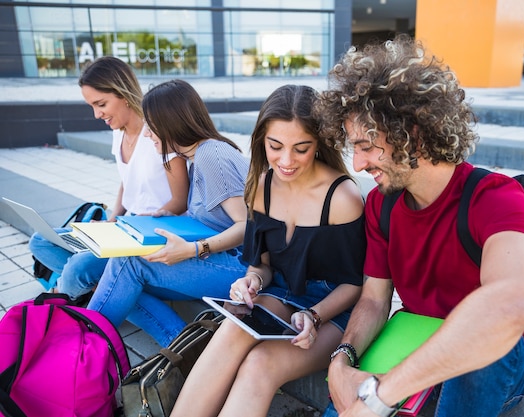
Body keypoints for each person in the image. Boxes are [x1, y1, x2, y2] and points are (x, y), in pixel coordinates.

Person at [315, 35, 524, 417]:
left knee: (482, 344)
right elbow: (374, 299)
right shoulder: (380, 205)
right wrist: (343, 360)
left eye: (367, 145)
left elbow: (511, 303)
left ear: (413, 132)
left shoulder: (495, 197)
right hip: (412, 339)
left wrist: (382, 394)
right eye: (352, 147)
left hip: (493, 362)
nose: (357, 164)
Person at [170, 84, 366, 417]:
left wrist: (314, 315)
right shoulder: (261, 187)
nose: (286, 161)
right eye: (275, 146)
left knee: (260, 364)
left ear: (319, 143)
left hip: (331, 311)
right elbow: (261, 267)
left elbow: (356, 285)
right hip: (282, 294)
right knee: (233, 326)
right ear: (262, 140)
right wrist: (251, 283)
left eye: (301, 149)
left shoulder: (342, 198)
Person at [87, 79, 250, 347]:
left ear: (171, 122)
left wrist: (192, 250)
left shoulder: (211, 155)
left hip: (240, 268)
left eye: (152, 126)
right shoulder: (196, 157)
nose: (148, 134)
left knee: (128, 262)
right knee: (122, 281)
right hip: (219, 259)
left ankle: (84, 348)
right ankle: (183, 345)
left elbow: (246, 226)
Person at [28, 56, 189, 304]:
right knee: (41, 241)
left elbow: (181, 200)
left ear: (123, 93)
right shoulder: (118, 132)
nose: (96, 114)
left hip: (149, 233)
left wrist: (148, 219)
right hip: (122, 227)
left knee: (78, 267)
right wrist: (112, 219)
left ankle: (64, 297)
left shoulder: (158, 132)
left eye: (100, 104)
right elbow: (127, 181)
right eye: (91, 106)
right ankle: (98, 284)